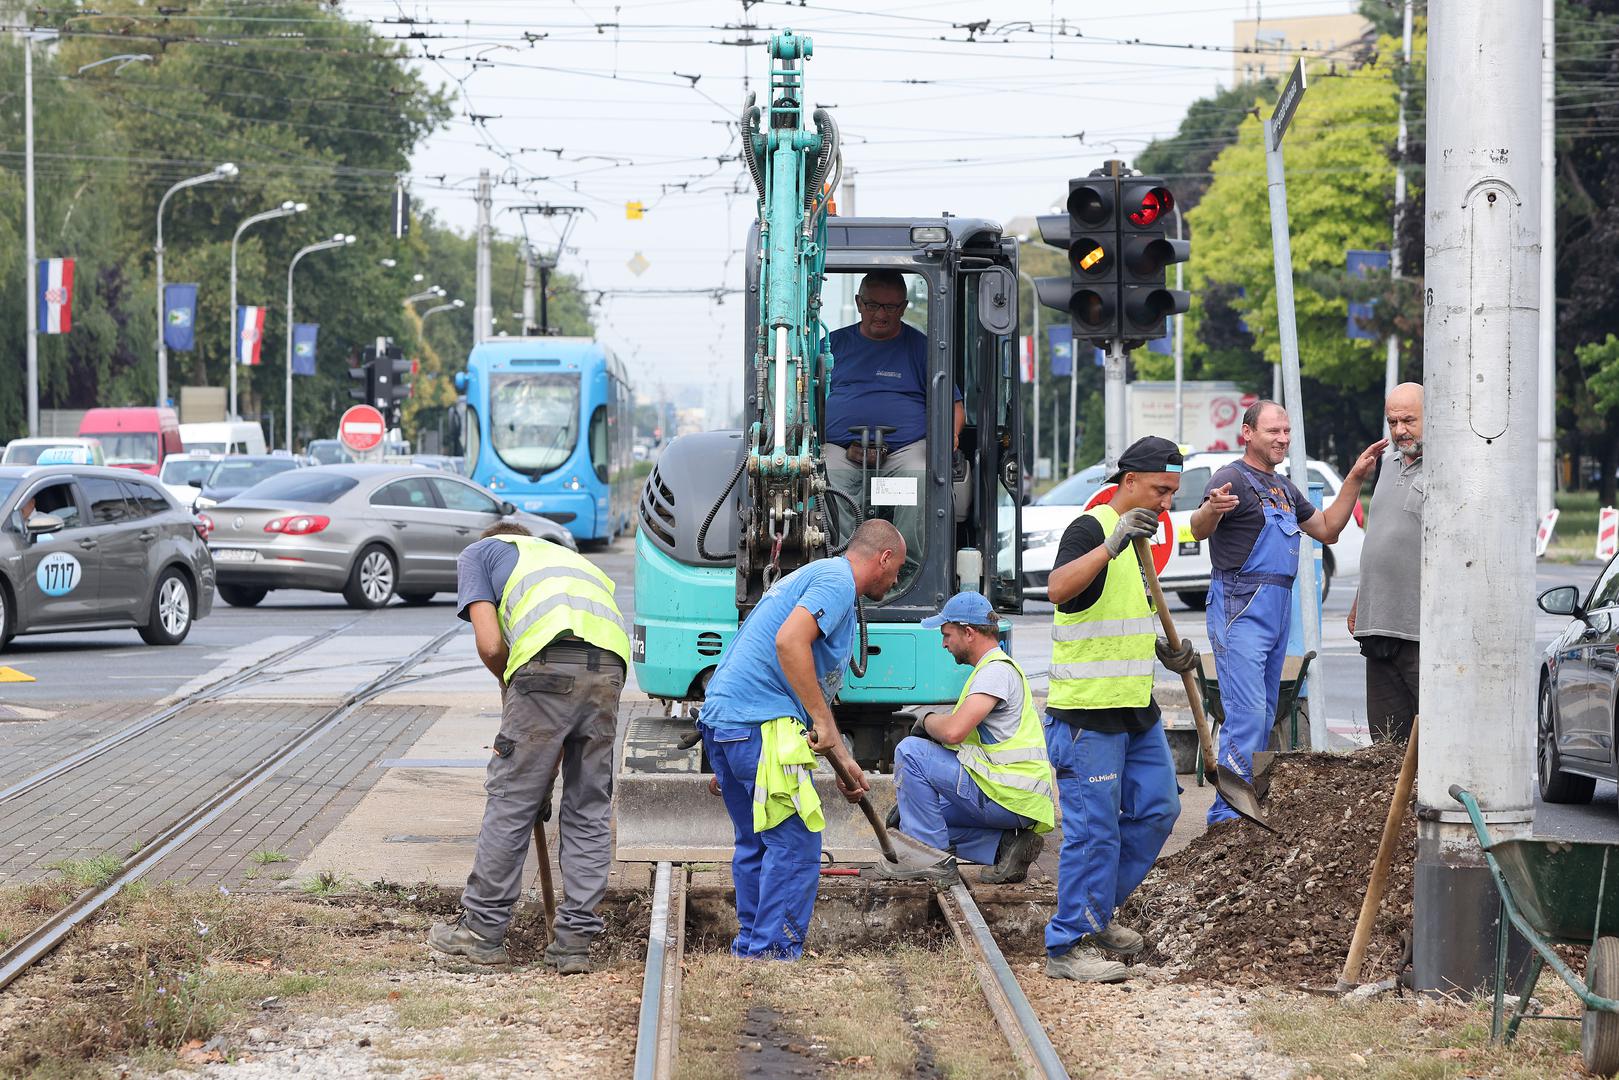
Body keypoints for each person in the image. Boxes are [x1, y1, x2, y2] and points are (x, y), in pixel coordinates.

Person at [697, 520, 904, 959]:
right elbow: (789, 642)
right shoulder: (836, 580)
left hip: (728, 723)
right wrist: (820, 720)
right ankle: (773, 951)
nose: (896, 580)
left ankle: (753, 945)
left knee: (758, 840)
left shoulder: (813, 578)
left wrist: (843, 759)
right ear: (883, 558)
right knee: (794, 841)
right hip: (759, 725)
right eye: (897, 570)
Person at [429, 521, 629, 973]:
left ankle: (481, 930)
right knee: (588, 806)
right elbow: (565, 717)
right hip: (610, 669)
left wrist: (511, 689)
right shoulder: (566, 560)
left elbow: (490, 643)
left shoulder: (480, 553)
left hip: (545, 667)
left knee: (511, 800)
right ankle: (574, 942)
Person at [1189, 402, 1385, 825]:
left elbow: (1329, 530)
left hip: (1277, 609)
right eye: (1272, 431)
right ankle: (1225, 815)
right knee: (1245, 713)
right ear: (1247, 433)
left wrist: (1354, 478)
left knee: (1262, 714)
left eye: (1286, 431)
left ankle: (1242, 803)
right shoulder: (1230, 478)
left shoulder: (1285, 488)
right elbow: (1199, 527)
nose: (1282, 439)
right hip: (1239, 609)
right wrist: (1210, 509)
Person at [1042, 436, 1189, 984]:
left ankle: (1094, 914)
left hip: (1135, 709)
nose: (1166, 503)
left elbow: (1123, 616)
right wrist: (1112, 545)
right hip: (1087, 715)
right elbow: (1058, 590)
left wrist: (1168, 652)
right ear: (1129, 482)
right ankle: (1068, 943)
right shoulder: (1093, 529)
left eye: (1173, 493)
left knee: (1158, 810)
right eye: (1160, 490)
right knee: (1093, 831)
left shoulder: (1145, 538)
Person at [880, 591, 1054, 886]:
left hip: (1008, 793)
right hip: (1014, 798)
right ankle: (1004, 847)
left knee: (910, 751)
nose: (944, 643)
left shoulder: (996, 671)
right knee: (912, 820)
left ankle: (930, 860)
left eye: (947, 634)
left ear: (969, 632)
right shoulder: (993, 671)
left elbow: (953, 731)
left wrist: (925, 719)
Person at [822, 270, 964, 567]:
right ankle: (843, 565)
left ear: (903, 307)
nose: (881, 315)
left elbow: (953, 404)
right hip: (842, 450)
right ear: (859, 303)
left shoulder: (923, 348)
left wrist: (949, 438)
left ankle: (909, 569)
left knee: (920, 474)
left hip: (902, 452)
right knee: (825, 475)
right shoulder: (831, 346)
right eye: (873, 305)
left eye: (890, 307)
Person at [1349, 382, 1424, 743]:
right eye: (1392, 422)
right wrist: (1360, 600)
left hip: (1420, 631)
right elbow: (1378, 536)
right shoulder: (1388, 464)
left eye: (1408, 420)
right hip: (1377, 623)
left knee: (1429, 736)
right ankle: (1394, 802)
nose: (1399, 431)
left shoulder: (1448, 467)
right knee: (1385, 743)